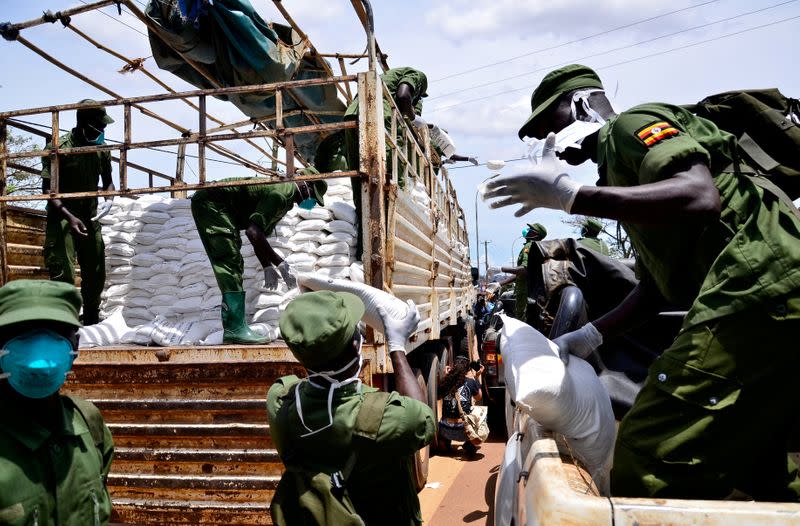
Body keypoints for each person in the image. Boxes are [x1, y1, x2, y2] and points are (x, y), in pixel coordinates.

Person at [486, 63, 800, 501]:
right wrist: (592, 334)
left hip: (758, 287)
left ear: (578, 104)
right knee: (759, 463)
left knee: (647, 453)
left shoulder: (629, 126)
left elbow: (700, 195)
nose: (549, 144)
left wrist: (572, 197)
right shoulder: (620, 177)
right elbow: (658, 285)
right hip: (771, 292)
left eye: (548, 124)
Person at [267, 290, 434, 525]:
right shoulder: (382, 416)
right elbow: (424, 418)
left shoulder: (280, 402)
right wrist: (397, 347)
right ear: (357, 346)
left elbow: (301, 386)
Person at [0, 279, 114, 524]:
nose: (39, 348)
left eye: (55, 332)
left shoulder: (89, 425)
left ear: (75, 347)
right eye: (22, 332)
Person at [191, 175, 327, 344]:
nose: (310, 203)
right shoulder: (281, 194)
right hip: (212, 204)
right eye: (313, 198)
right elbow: (253, 233)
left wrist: (266, 266)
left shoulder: (285, 198)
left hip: (221, 207)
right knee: (228, 260)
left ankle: (235, 327)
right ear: (307, 186)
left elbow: (258, 235)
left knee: (233, 260)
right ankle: (234, 329)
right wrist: (280, 263)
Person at [316, 67, 429, 254]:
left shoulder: (389, 78)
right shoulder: (419, 76)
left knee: (362, 186)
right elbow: (403, 96)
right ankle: (381, 248)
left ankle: (363, 251)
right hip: (378, 116)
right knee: (391, 183)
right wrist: (414, 117)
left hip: (355, 114)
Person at [42, 99, 115, 325]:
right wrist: (70, 218)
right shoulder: (58, 148)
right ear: (84, 122)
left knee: (95, 271)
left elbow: (109, 182)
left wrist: (109, 199)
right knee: (64, 272)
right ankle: (64, 321)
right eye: (98, 126)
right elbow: (48, 190)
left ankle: (91, 317)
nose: (102, 131)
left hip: (91, 217)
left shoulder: (101, 150)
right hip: (63, 217)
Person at [499, 223, 547, 321]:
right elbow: (520, 274)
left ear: (536, 234)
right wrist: (500, 284)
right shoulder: (534, 247)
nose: (528, 230)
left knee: (522, 321)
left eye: (531, 229)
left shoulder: (529, 247)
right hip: (528, 291)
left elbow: (524, 270)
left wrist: (502, 269)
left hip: (525, 292)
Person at [437, 357, 485, 456]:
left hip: (446, 428)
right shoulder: (470, 382)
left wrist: (446, 376)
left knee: (446, 416)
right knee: (481, 412)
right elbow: (479, 397)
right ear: (467, 369)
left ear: (453, 367)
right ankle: (470, 443)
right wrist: (477, 377)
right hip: (465, 430)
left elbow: (438, 396)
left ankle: (444, 442)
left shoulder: (446, 383)